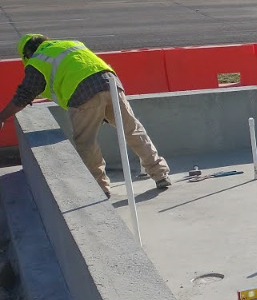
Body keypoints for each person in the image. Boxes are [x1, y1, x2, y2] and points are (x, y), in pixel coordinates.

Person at [0, 34, 171, 198]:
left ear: (26, 54)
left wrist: (2, 117)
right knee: (132, 129)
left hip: (82, 93)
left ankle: (100, 187)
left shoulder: (37, 61)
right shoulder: (68, 45)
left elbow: (23, 96)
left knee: (86, 142)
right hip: (110, 82)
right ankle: (160, 173)